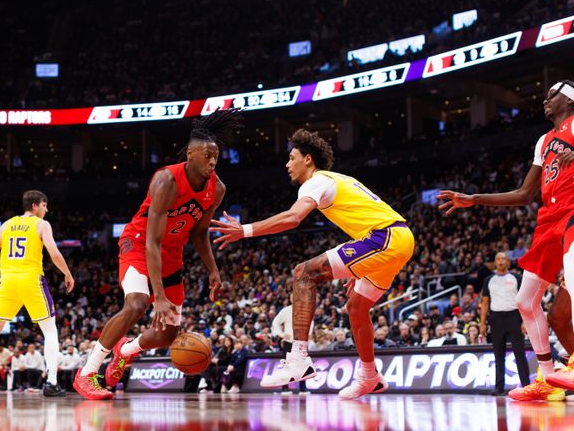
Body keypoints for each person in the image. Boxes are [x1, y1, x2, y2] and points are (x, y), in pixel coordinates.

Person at [212, 129, 414, 399]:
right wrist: (362, 266)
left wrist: (245, 230)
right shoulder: (336, 179)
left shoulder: (316, 180)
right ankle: (369, 376)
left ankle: (299, 359)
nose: (287, 164)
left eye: (291, 157)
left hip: (385, 237)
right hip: (394, 239)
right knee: (356, 306)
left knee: (304, 273)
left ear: (307, 159)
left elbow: (293, 218)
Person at [73, 109, 242, 400]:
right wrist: (159, 296)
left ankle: (125, 350)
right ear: (190, 155)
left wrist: (212, 269)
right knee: (138, 304)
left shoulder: (217, 189)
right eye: (207, 155)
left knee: (167, 335)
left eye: (216, 156)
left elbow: (199, 233)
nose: (213, 161)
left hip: (172, 254)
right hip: (139, 244)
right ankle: (87, 373)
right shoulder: (167, 180)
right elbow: (152, 240)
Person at [438, 80, 574, 401]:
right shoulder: (544, 141)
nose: (544, 100)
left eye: (551, 95)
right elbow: (525, 194)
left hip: (573, 213)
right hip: (547, 221)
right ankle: (549, 377)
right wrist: (473, 198)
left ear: (568, 99)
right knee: (526, 300)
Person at [0, 190, 74, 398]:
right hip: (31, 281)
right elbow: (54, 253)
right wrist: (67, 273)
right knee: (50, 331)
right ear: (35, 206)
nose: (46, 210)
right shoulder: (42, 224)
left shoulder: (7, 224)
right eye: (44, 206)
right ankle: (51, 383)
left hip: (8, 283)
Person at [480, 252, 531, 396]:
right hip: (496, 318)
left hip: (514, 317)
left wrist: (524, 321)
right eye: (498, 259)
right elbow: (484, 303)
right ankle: (499, 387)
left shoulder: (516, 278)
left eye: (504, 259)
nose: (501, 261)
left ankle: (526, 386)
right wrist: (482, 323)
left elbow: (524, 300)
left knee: (520, 353)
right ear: (495, 263)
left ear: (508, 263)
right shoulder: (488, 280)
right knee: (498, 354)